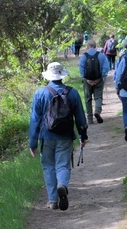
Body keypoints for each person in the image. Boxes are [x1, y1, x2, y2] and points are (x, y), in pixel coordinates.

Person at [29, 62, 88, 210]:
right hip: (65, 136)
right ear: (62, 75)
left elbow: (35, 120)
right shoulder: (73, 93)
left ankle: (53, 200)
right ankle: (62, 184)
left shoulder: (40, 93)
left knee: (48, 167)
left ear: (48, 76)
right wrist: (82, 135)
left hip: (46, 137)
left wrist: (33, 143)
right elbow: (80, 117)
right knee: (62, 165)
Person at [78, 40, 110, 124]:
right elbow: (106, 68)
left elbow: (81, 70)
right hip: (99, 79)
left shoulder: (84, 56)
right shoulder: (101, 56)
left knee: (88, 99)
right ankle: (97, 111)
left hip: (87, 81)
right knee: (98, 97)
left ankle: (90, 119)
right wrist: (100, 78)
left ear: (87, 46)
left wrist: (87, 79)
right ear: (95, 46)